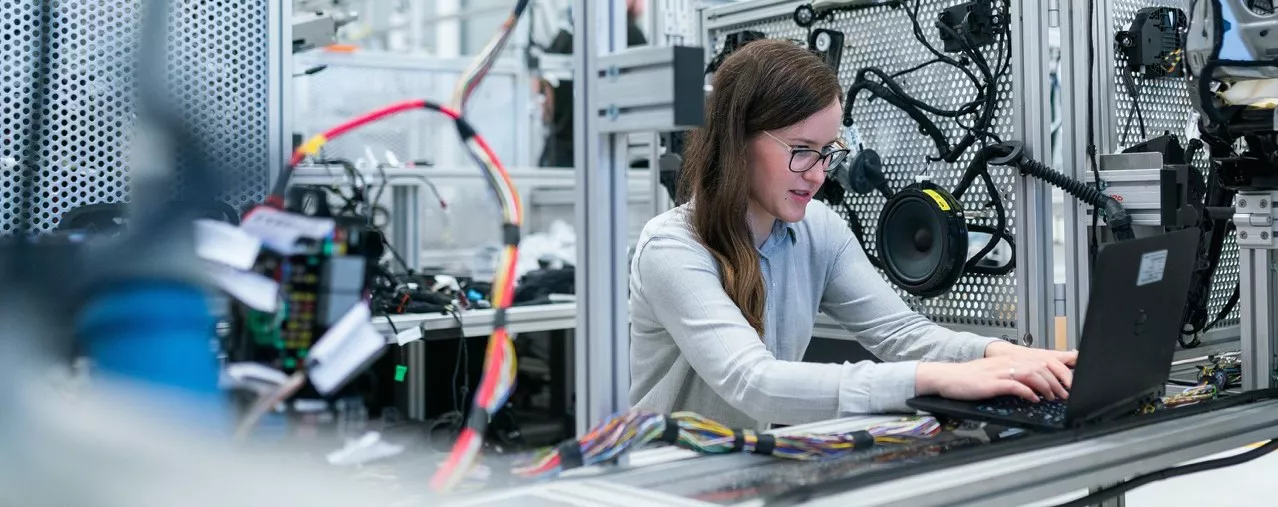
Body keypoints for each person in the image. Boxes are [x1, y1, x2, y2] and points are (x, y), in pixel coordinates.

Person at [627, 39, 1077, 430]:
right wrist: (932, 379)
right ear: (737, 140)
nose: (819, 175)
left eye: (828, 153)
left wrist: (1001, 354)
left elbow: (901, 333)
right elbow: (754, 383)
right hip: (665, 479)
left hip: (743, 469)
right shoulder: (672, 248)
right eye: (802, 151)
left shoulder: (818, 230)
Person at [537, 1, 647, 167]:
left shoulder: (564, 36)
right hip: (607, 157)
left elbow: (546, 102)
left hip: (561, 159)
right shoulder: (629, 35)